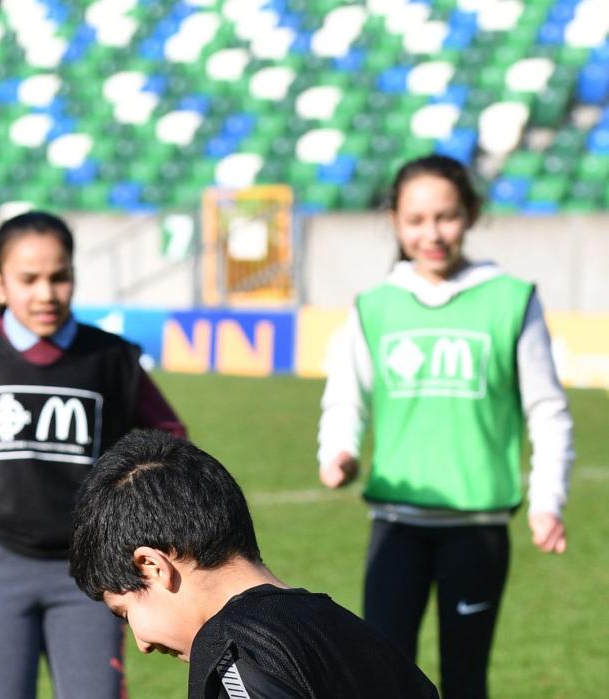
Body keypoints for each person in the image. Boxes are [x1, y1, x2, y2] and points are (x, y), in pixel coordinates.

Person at [0, 210, 187, 698]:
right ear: (0, 284)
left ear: (74, 277)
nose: (46, 293)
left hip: (91, 572)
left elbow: (171, 439)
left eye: (59, 277)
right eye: (29, 279)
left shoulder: (110, 358)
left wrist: (143, 519)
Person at [316, 154, 574, 698]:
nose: (432, 233)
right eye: (416, 220)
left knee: (464, 681)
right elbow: (345, 398)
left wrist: (548, 499)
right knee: (382, 679)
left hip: (476, 530)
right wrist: (338, 449)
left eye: (446, 217)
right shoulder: (376, 305)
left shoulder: (511, 299)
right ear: (395, 222)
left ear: (471, 214)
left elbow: (547, 410)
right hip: (396, 526)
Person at [69, 430, 440, 698]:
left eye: (124, 611)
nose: (142, 643)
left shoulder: (234, 653)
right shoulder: (357, 634)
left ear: (152, 566)